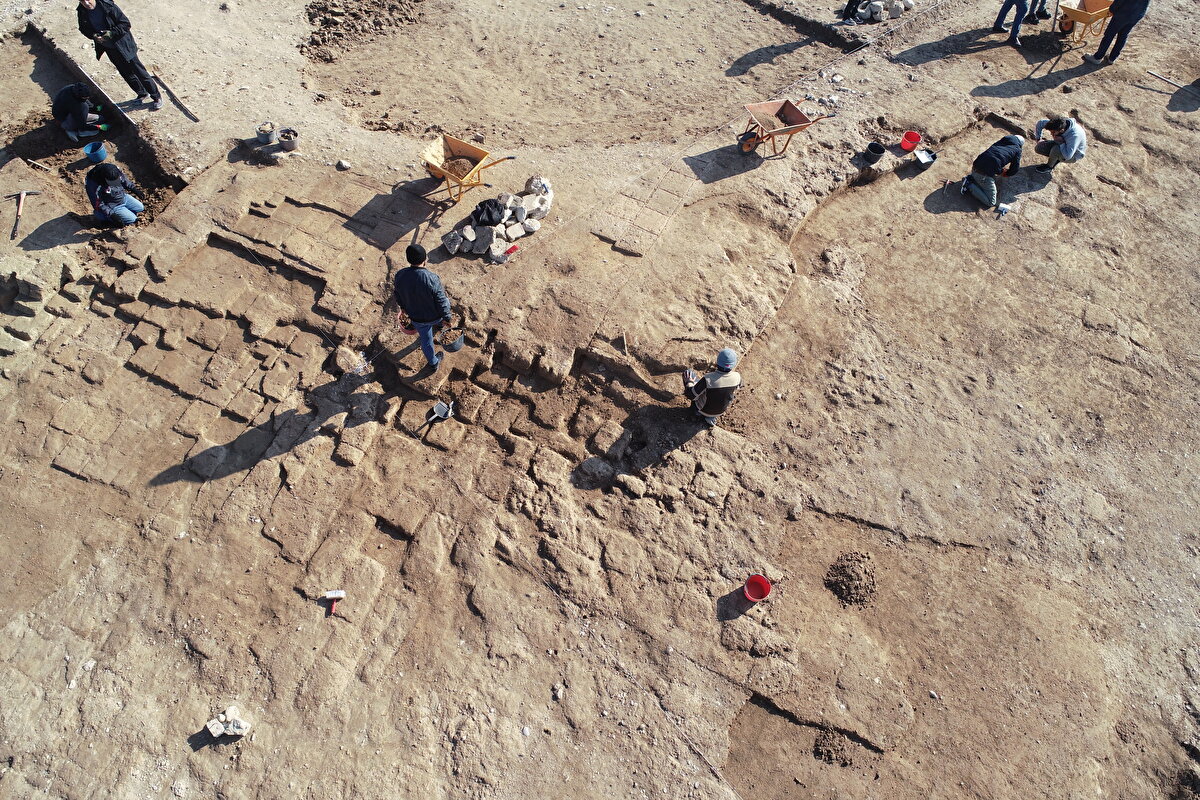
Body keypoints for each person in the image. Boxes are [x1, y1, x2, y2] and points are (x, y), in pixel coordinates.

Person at [77, 0, 162, 110]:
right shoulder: (82, 11)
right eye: (83, 1)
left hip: (124, 45)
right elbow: (83, 28)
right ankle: (142, 93)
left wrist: (111, 33)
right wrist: (94, 35)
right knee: (125, 73)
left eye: (88, 0)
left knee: (139, 72)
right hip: (109, 48)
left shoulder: (107, 5)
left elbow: (125, 24)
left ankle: (156, 96)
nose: (87, 3)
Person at [393, 244, 452, 370]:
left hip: (416, 319)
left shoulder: (400, 275)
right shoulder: (432, 278)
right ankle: (440, 324)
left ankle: (433, 363)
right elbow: (441, 301)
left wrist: (403, 307)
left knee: (426, 340)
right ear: (425, 260)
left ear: (408, 259)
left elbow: (397, 294)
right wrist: (447, 317)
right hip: (435, 316)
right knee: (447, 300)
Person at [961, 134, 1024, 209]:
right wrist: (1007, 173)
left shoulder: (1004, 140)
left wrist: (1000, 170)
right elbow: (1015, 168)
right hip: (983, 175)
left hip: (976, 165)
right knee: (991, 202)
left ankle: (972, 177)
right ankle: (968, 184)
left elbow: (994, 156)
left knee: (990, 172)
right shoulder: (1017, 149)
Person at [682, 348, 743, 427]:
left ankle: (697, 413)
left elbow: (691, 395)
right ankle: (711, 417)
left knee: (688, 373)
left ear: (717, 362)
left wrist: (689, 382)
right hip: (720, 411)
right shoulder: (737, 377)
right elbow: (738, 387)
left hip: (702, 410)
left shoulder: (708, 379)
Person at [1083, 0, 1151, 65]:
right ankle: (1112, 58)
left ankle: (1097, 57)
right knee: (1123, 35)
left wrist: (1112, 9)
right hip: (1137, 14)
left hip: (1124, 13)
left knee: (1109, 34)